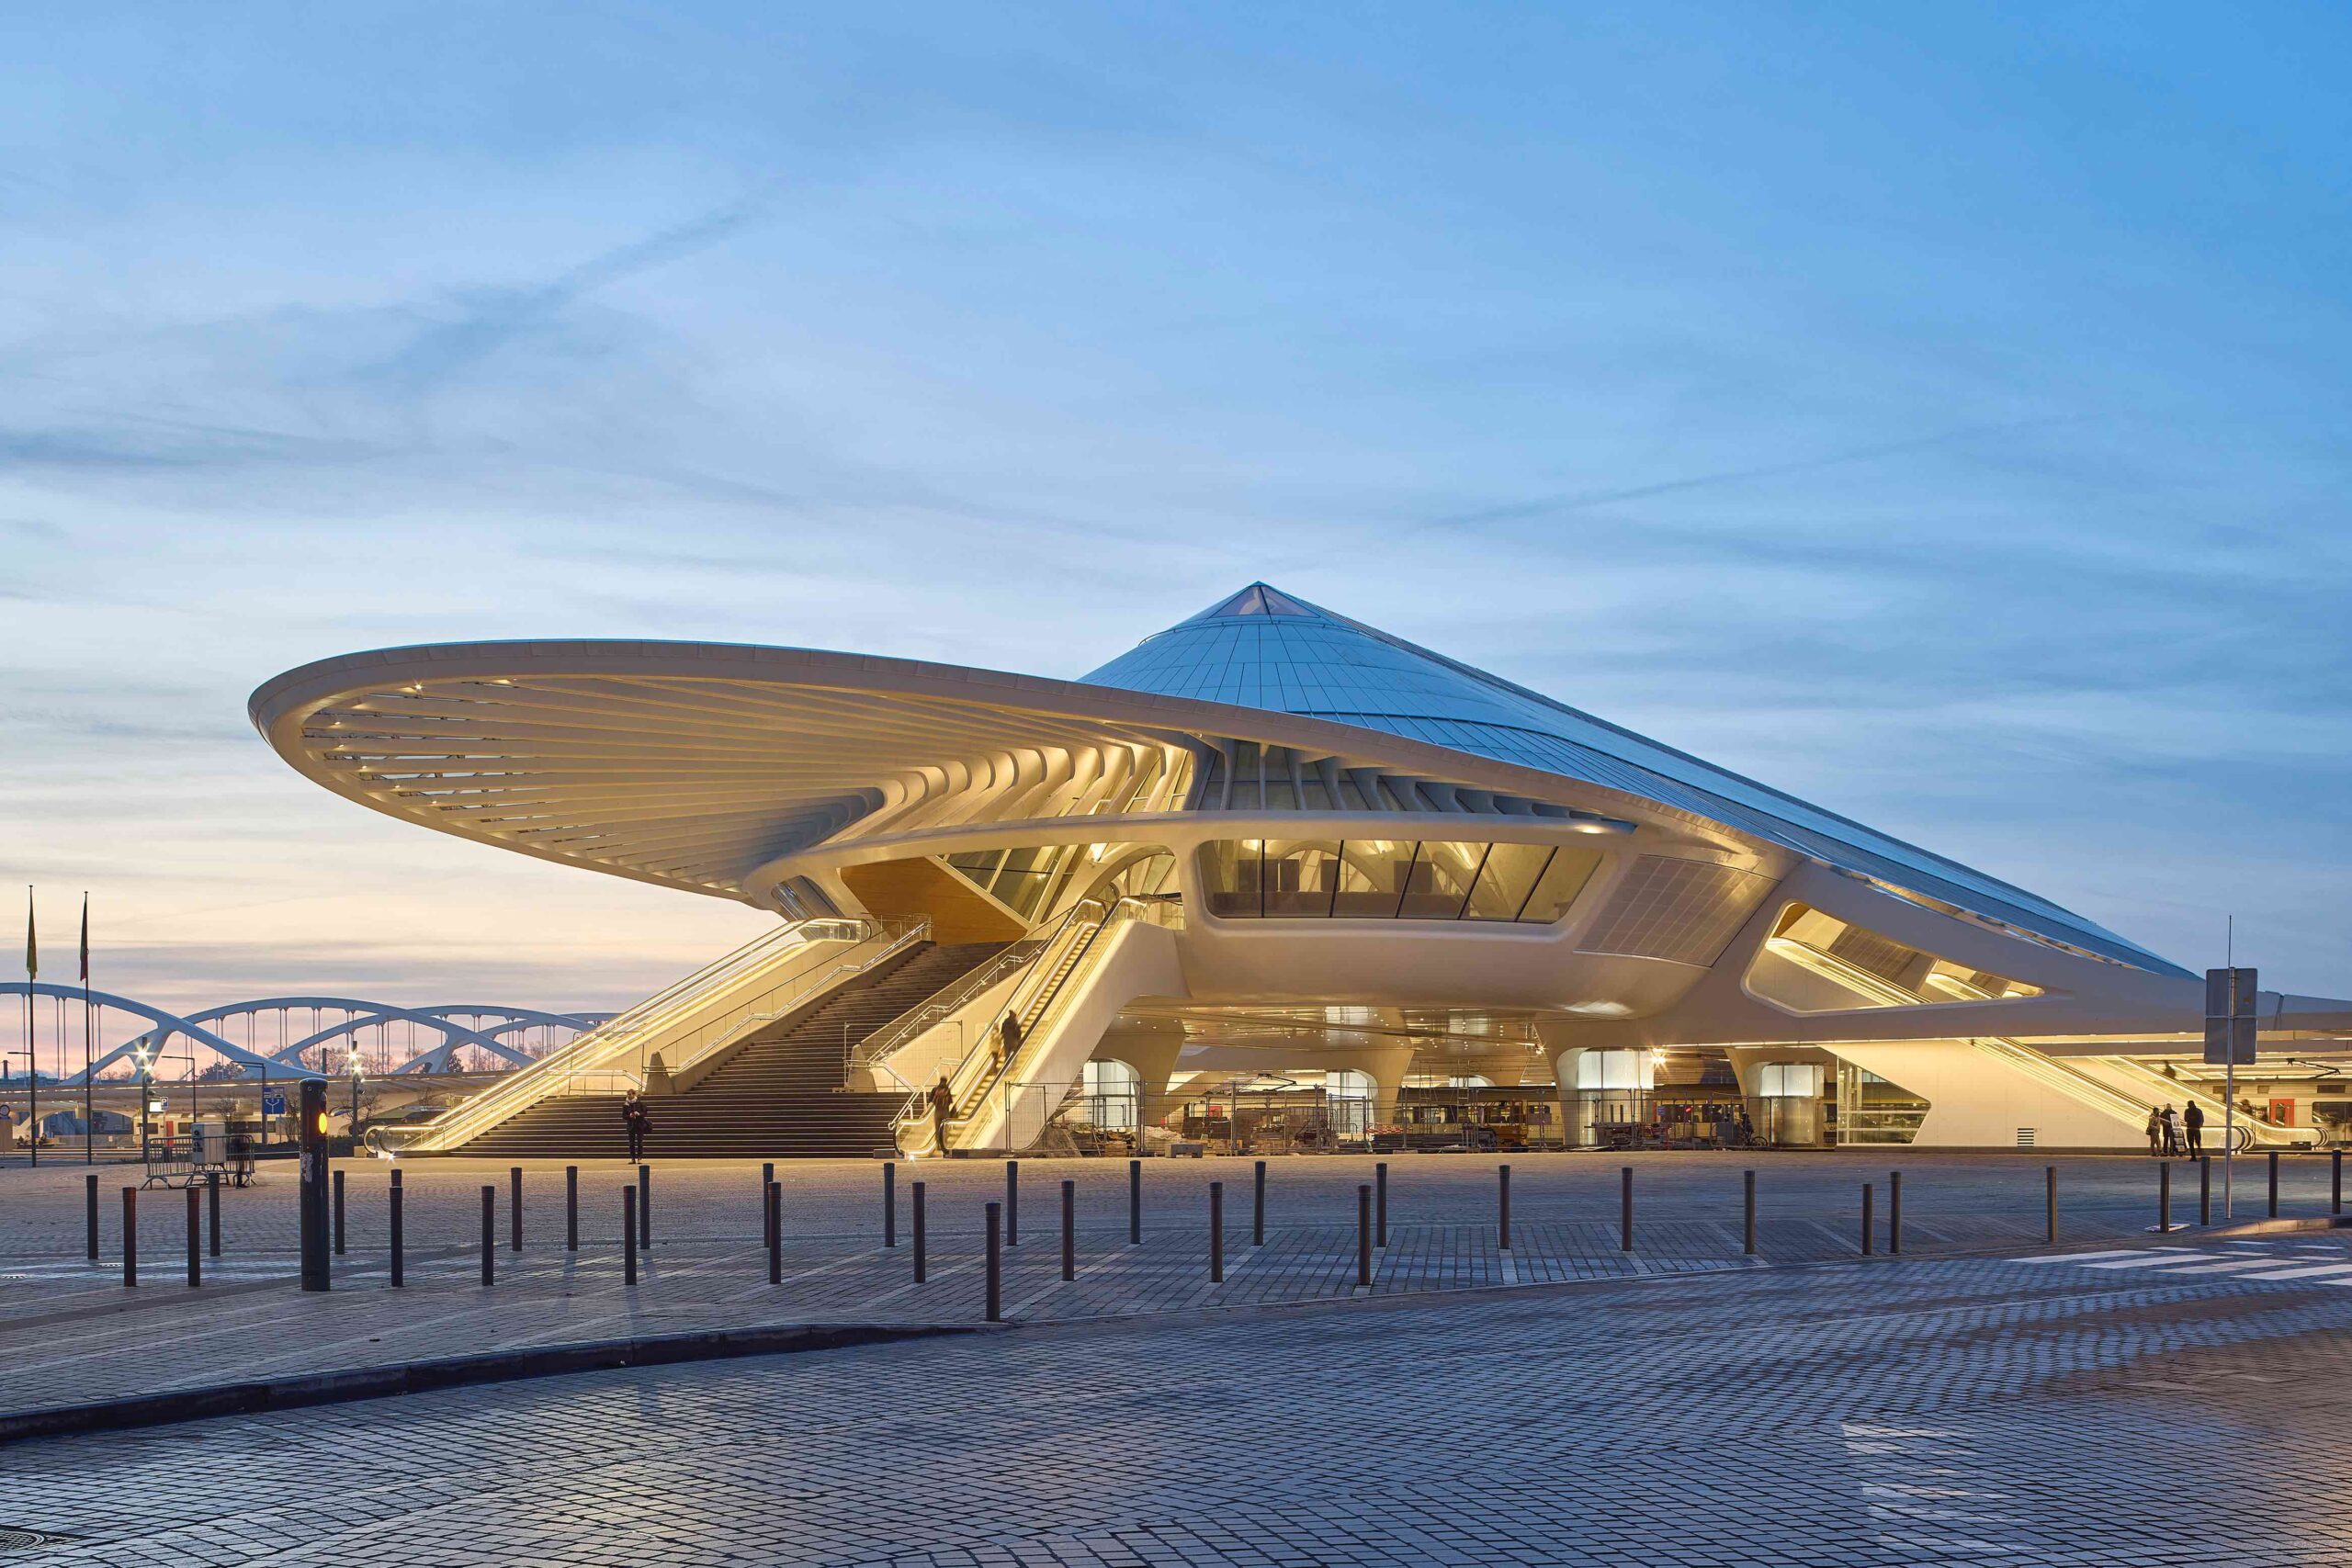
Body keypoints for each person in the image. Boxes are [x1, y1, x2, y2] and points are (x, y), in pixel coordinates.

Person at [621, 1089, 650, 1162]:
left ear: (634, 1094)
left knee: (640, 1143)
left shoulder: (640, 1103)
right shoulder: (626, 1104)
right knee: (631, 1143)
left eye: (630, 1094)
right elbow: (624, 1116)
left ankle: (639, 1158)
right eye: (628, 1094)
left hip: (639, 1125)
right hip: (631, 1126)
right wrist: (629, 1116)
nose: (628, 1096)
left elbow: (645, 1112)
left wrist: (638, 1114)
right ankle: (633, 1158)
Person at [929, 1073, 955, 1155]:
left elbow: (930, 1099)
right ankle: (944, 1144)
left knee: (937, 1129)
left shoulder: (935, 1089)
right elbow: (950, 1101)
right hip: (945, 1111)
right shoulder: (947, 1090)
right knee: (945, 1129)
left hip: (937, 1111)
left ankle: (938, 1145)